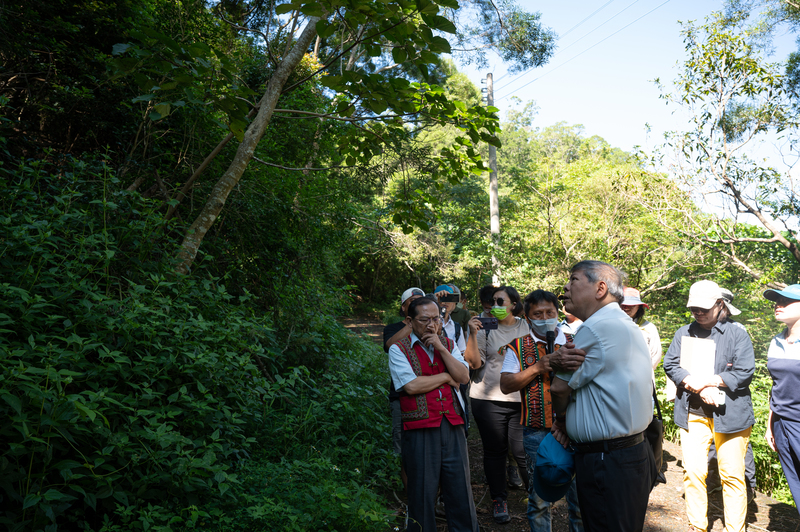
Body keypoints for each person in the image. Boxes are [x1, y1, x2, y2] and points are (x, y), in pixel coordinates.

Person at [549, 260, 656, 532]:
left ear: (600, 288)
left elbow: (559, 389)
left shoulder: (595, 328)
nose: (565, 287)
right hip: (627, 455)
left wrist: (561, 419)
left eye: (573, 280)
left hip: (607, 461)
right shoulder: (624, 323)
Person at [663, 280, 754, 532]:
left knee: (732, 475)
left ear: (719, 304)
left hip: (730, 415)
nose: (698, 313)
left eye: (704, 308)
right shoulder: (684, 332)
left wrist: (715, 381)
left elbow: (746, 371)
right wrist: (696, 384)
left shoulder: (737, 333)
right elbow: (671, 363)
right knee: (693, 472)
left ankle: (735, 528)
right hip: (693, 412)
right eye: (694, 308)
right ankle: (697, 525)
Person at [387, 297, 478, 532]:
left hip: (452, 422)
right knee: (422, 490)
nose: (431, 325)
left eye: (436, 318)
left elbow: (464, 377)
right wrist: (447, 378)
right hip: (420, 426)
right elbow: (411, 386)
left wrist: (439, 347)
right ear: (409, 321)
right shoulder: (399, 349)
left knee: (459, 487)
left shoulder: (447, 343)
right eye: (424, 319)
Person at [499, 290, 584, 532]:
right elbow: (506, 385)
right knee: (538, 499)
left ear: (558, 314)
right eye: (538, 313)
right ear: (527, 317)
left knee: (579, 498)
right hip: (536, 430)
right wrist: (538, 367)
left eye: (550, 312)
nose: (545, 317)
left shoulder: (574, 343)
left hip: (575, 429)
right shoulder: (517, 346)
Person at [464, 285, 530, 523]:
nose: (496, 307)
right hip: (487, 397)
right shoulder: (485, 327)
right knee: (495, 451)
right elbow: (473, 363)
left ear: (514, 304)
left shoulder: (527, 326)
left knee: (522, 451)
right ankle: (499, 500)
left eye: (501, 302)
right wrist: (472, 334)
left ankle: (535, 496)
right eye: (493, 302)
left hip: (520, 398)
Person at [382, 287, 425, 490]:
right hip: (401, 396)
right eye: (413, 301)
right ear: (403, 307)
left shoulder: (432, 326)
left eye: (422, 301)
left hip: (430, 394)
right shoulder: (393, 328)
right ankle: (411, 496)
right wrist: (412, 323)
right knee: (405, 448)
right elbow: (390, 345)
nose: (418, 304)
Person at [763, 284, 800, 516]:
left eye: (786, 301)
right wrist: (770, 425)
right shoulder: (776, 341)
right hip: (781, 424)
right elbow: (776, 387)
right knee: (795, 481)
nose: (778, 305)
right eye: (777, 301)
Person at [620, 287, 662, 373]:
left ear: (638, 307)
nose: (626, 308)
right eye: (623, 305)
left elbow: (656, 356)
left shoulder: (649, 328)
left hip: (642, 376)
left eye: (631, 305)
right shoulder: (610, 325)